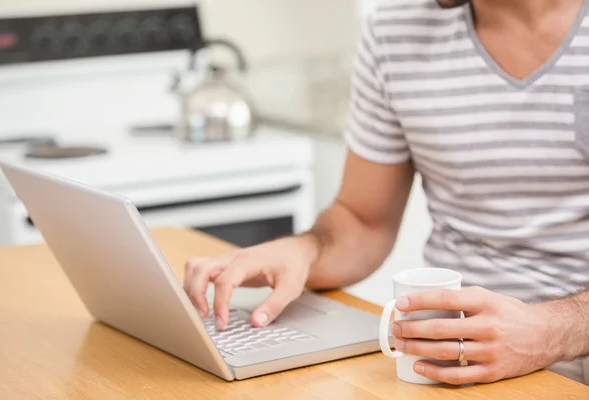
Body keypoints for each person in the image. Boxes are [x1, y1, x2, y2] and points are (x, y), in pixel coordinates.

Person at [183, 0, 589, 385]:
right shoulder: (395, 33)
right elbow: (362, 221)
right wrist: (304, 251)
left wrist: (550, 332)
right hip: (441, 358)